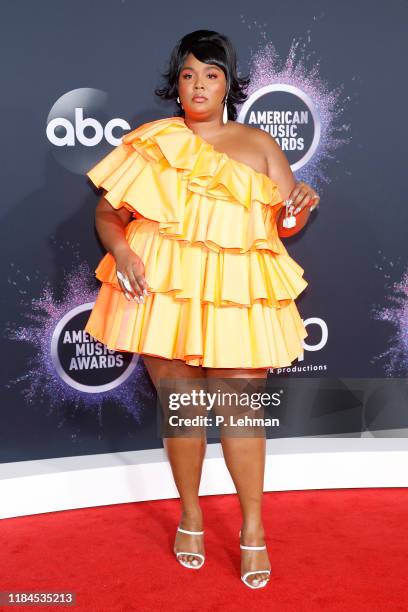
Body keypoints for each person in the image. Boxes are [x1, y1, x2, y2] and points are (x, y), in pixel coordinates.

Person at [84, 29, 320, 589]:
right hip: (164, 293)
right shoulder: (154, 142)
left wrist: (301, 203)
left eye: (210, 75)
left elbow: (284, 220)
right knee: (183, 410)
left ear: (228, 84)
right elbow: (108, 214)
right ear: (177, 82)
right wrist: (121, 253)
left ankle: (254, 530)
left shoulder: (260, 143)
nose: (198, 85)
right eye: (188, 74)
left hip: (235, 295)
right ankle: (190, 513)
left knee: (241, 413)